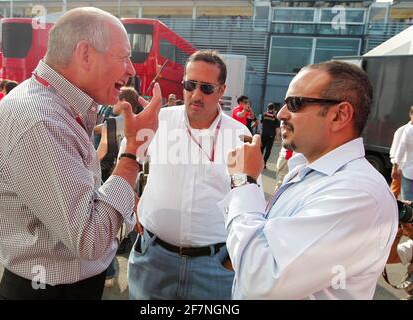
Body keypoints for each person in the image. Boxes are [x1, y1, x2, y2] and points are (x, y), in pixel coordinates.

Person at [0, 7, 162, 300]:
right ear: (86, 54)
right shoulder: (42, 120)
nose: (130, 69)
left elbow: (80, 200)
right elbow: (90, 240)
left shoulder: (53, 106)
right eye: (123, 56)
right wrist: (134, 150)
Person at [220, 60, 398, 299]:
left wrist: (244, 182)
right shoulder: (308, 170)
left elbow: (261, 278)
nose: (282, 113)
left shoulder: (357, 193)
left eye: (295, 103)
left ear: (339, 115)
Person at [127, 50, 251, 300]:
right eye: (190, 85)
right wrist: (131, 197)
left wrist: (233, 258)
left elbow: (249, 198)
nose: (195, 95)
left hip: (214, 267)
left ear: (222, 89)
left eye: (206, 88)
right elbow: (128, 158)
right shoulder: (159, 120)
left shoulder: (240, 134)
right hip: (153, 259)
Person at [95, 86, 144, 288]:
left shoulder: (112, 122)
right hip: (137, 178)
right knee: (137, 224)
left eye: (116, 99)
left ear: (124, 102)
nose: (112, 102)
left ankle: (111, 269)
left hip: (113, 177)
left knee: (112, 226)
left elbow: (101, 152)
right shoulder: (143, 123)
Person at [392, 106, 413, 201]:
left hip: (406, 171)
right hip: (404, 169)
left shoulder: (408, 130)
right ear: (410, 114)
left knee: (407, 201)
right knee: (394, 193)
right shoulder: (402, 130)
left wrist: (396, 166)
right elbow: (397, 149)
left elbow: (400, 148)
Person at [390, 119, 409, 199]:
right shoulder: (402, 130)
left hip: (408, 170)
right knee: (394, 194)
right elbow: (394, 150)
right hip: (400, 168)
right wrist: (395, 167)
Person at [260, 103, 280, 169]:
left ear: (267, 108)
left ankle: (259, 162)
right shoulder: (275, 118)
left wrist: (260, 133)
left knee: (261, 149)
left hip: (263, 134)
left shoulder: (264, 115)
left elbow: (261, 124)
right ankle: (264, 163)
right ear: (274, 109)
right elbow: (277, 129)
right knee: (268, 150)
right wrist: (277, 139)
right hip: (271, 135)